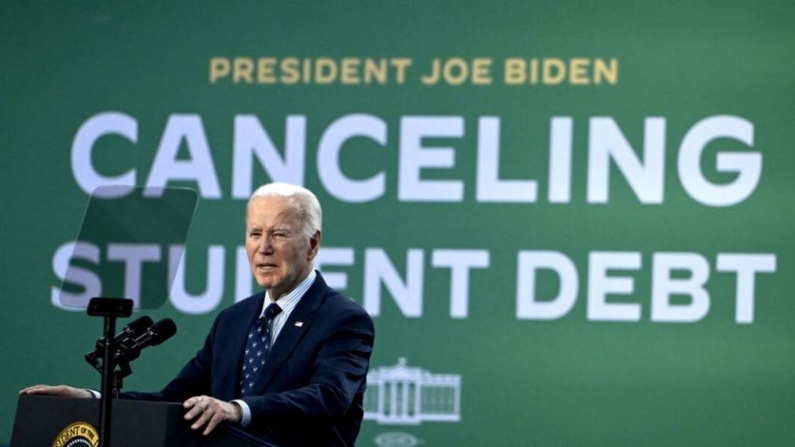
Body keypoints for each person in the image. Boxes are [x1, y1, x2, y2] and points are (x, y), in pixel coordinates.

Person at [21, 182, 376, 446]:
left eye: (279, 234)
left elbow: (328, 397)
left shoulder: (343, 319)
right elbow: (174, 401)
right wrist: (92, 400)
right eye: (255, 233)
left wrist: (237, 409)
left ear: (312, 244)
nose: (263, 248)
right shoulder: (234, 320)